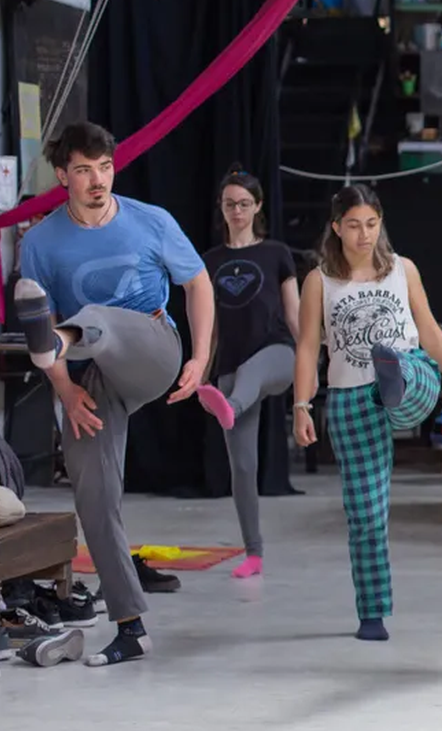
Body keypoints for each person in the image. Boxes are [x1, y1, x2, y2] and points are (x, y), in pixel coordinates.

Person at [13, 122, 215, 667]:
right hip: (89, 375)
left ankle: (60, 342)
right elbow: (44, 308)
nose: (97, 179)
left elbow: (198, 283)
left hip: (152, 346)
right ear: (63, 176)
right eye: (83, 170)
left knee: (93, 320)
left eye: (104, 167)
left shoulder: (151, 221)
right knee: (94, 498)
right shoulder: (40, 242)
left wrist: (199, 357)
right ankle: (131, 626)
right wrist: (64, 390)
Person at [291, 184, 442, 642]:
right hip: (351, 396)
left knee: (404, 365)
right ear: (336, 228)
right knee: (366, 513)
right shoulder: (319, 281)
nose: (364, 234)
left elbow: (429, 330)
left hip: (414, 375)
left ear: (381, 223)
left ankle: (396, 380)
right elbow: (308, 348)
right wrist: (301, 405)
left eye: (371, 224)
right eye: (353, 225)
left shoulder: (403, 270)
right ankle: (372, 614)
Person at [190, 169, 300, 580]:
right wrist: (200, 371)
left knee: (249, 377)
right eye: (229, 203)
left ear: (257, 207)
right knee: (243, 467)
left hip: (277, 356)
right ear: (221, 208)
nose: (236, 211)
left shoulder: (276, 253)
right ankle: (253, 552)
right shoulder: (210, 262)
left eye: (243, 203)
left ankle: (229, 405)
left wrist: (310, 366)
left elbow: (293, 314)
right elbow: (211, 328)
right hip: (231, 370)